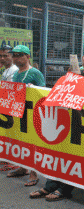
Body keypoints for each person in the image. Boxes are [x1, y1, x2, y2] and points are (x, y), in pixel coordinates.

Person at [29, 46, 84, 201]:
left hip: (82, 125)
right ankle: (50, 185)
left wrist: (79, 83)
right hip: (67, 120)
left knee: (74, 158)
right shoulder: (73, 74)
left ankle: (65, 189)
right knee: (60, 154)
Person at [6, 45, 45, 187]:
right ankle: (23, 167)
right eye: (14, 55)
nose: (15, 58)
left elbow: (43, 92)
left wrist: (33, 89)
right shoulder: (16, 74)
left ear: (28, 56)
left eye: (19, 55)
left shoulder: (35, 73)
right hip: (19, 113)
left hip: (32, 114)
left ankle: (34, 173)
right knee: (20, 141)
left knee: (33, 143)